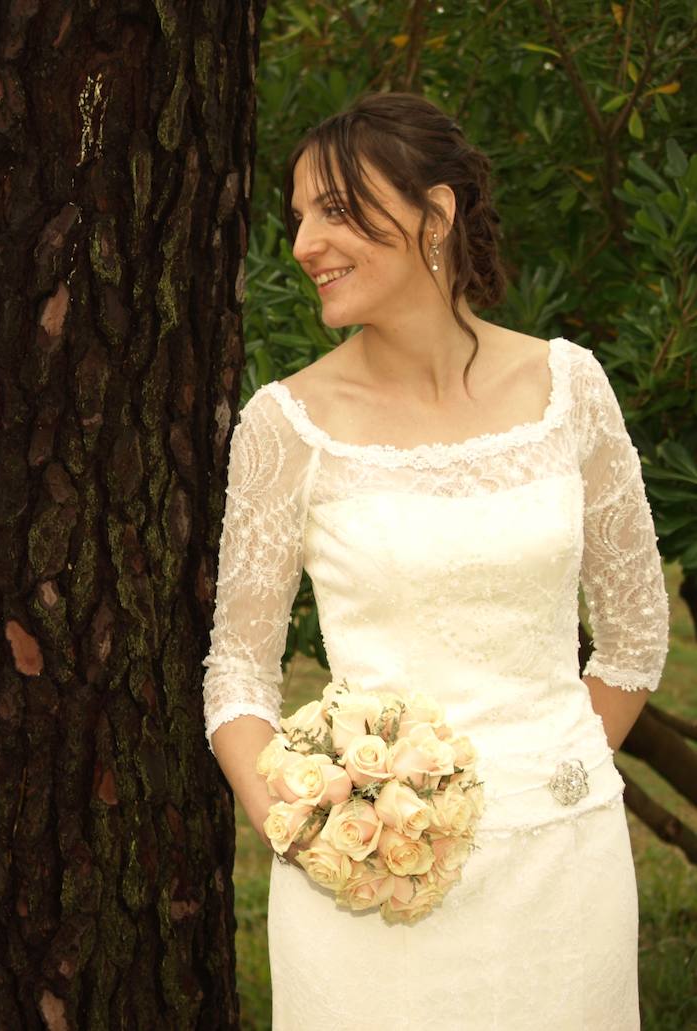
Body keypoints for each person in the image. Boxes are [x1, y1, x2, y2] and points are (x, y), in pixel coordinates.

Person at [203, 93, 667, 1029]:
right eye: (298, 216)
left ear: (437, 215)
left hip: (562, 879)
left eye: (334, 209)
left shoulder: (568, 388)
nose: (302, 244)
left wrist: (554, 775)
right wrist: (304, 820)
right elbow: (238, 677)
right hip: (366, 909)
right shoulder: (285, 425)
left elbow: (636, 633)